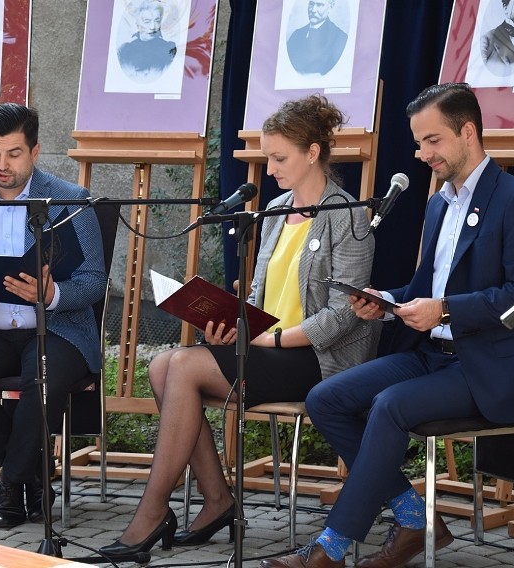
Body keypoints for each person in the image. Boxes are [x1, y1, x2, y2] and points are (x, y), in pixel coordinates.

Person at [262, 82, 514, 568]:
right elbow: (423, 282)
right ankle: (415, 517)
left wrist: (445, 310)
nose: (422, 154)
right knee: (326, 398)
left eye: (432, 141)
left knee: (390, 405)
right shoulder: (439, 202)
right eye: (418, 142)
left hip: (484, 366)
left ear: (468, 132)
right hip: (429, 355)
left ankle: (330, 549)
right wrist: (386, 298)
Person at [98, 94, 381, 561]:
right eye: (268, 157)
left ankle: (152, 515)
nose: (269, 169)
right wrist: (229, 322)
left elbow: (341, 315)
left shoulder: (347, 216)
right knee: (163, 366)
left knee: (182, 367)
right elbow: (257, 298)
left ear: (312, 153)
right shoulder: (276, 210)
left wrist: (269, 338)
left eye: (279, 157)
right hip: (268, 345)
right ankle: (217, 499)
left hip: (318, 359)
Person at [0, 103, 107, 529]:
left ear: (34, 151)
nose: (1, 164)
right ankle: (34, 473)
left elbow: (94, 281)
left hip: (56, 328)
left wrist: (52, 294)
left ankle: (11, 484)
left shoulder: (71, 201)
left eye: (13, 153)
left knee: (40, 378)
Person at [117, 0, 177, 79]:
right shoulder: (125, 51)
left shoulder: (169, 49)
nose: (152, 27)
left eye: (157, 21)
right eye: (147, 21)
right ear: (138, 24)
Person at [286, 0, 348, 75]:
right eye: (311, 4)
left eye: (320, 5)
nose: (313, 10)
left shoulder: (340, 38)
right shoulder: (296, 35)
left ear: (331, 6)